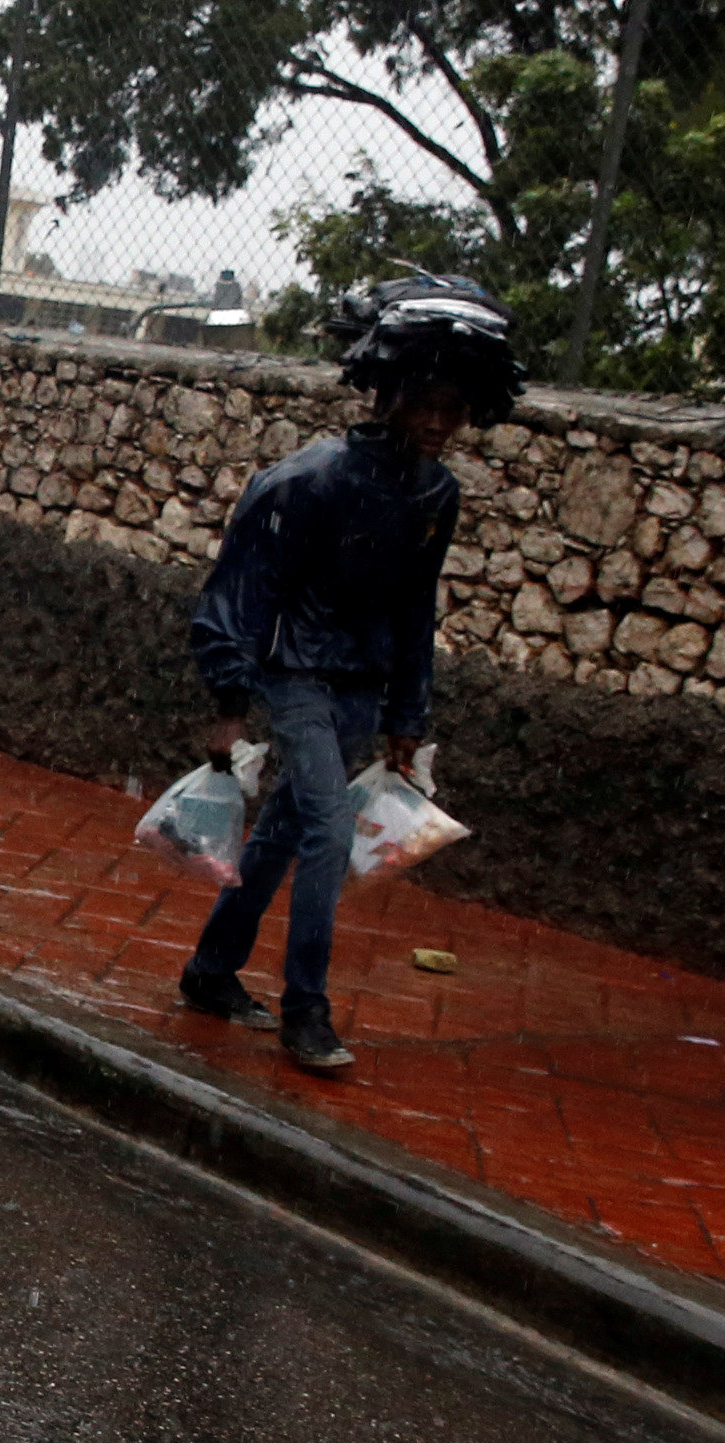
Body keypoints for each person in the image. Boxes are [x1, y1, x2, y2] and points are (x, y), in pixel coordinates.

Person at [175, 275, 527, 1072]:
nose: (439, 422)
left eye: (455, 407)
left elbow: (415, 610)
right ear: (388, 394)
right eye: (424, 402)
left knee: (281, 836)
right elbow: (239, 593)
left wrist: (410, 717)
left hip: (361, 689)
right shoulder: (308, 481)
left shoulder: (438, 494)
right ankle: (308, 1009)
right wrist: (230, 701)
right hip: (295, 678)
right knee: (329, 835)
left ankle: (210, 971)